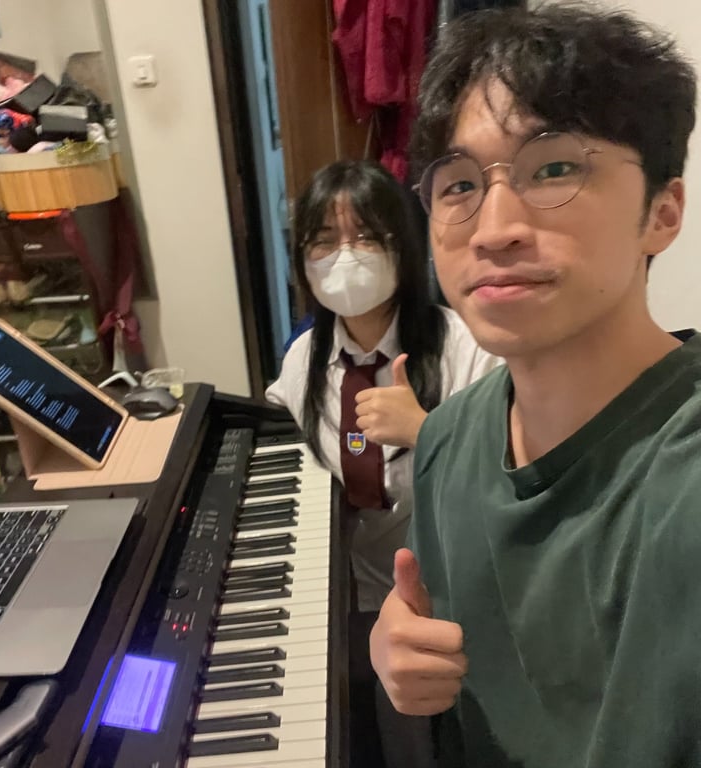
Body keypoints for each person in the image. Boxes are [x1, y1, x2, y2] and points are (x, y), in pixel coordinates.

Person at [369, 4, 701, 767]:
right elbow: (439, 617)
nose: (494, 229)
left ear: (662, 211)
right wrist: (396, 637)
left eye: (553, 169)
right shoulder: (446, 440)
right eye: (458, 184)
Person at [265, 159, 499, 767]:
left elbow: (507, 480)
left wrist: (425, 431)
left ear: (404, 245)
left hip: (442, 602)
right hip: (339, 596)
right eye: (324, 241)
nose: (345, 257)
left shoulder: (464, 347)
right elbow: (282, 447)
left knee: (427, 746)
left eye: (366, 236)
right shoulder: (304, 359)